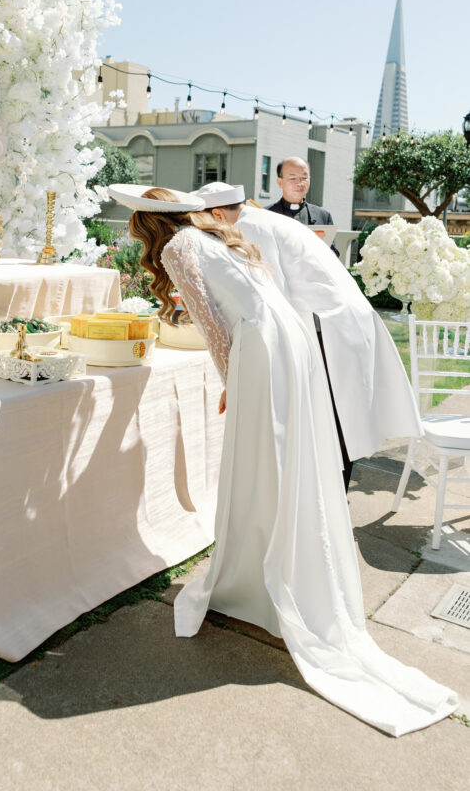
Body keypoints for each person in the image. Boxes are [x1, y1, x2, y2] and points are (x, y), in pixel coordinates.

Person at [109, 181, 457, 736]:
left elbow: (211, 323)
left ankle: (263, 578)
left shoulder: (178, 249)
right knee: (280, 460)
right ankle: (269, 571)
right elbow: (260, 293)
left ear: (147, 225)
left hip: (260, 347)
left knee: (260, 462)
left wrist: (230, 378)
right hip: (289, 340)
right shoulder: (217, 236)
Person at [190, 181, 424, 493]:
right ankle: (326, 504)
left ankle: (329, 508)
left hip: (332, 326)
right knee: (333, 423)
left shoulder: (251, 229)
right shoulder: (261, 220)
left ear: (218, 214)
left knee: (332, 424)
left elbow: (271, 296)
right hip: (337, 321)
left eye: (203, 223)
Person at [268, 156, 339, 256]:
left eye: (304, 178)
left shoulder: (323, 215)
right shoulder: (266, 214)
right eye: (293, 178)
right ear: (280, 182)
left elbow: (333, 254)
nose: (300, 183)